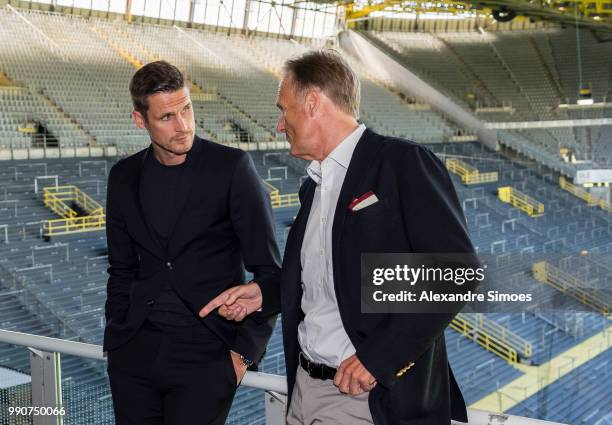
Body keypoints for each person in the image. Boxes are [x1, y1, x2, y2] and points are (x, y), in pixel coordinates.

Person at [202, 49, 474, 424]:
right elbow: (327, 278)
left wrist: (379, 358)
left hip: (365, 399)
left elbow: (456, 275)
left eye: (284, 109)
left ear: (313, 103)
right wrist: (265, 294)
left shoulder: (401, 162)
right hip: (304, 389)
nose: (280, 125)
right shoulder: (314, 186)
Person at [104, 60, 281, 425]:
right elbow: (121, 268)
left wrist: (243, 355)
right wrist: (117, 338)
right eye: (167, 117)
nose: (183, 125)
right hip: (135, 354)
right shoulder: (123, 176)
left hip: (207, 355)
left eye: (186, 109)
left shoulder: (231, 167)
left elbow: (269, 272)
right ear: (141, 121)